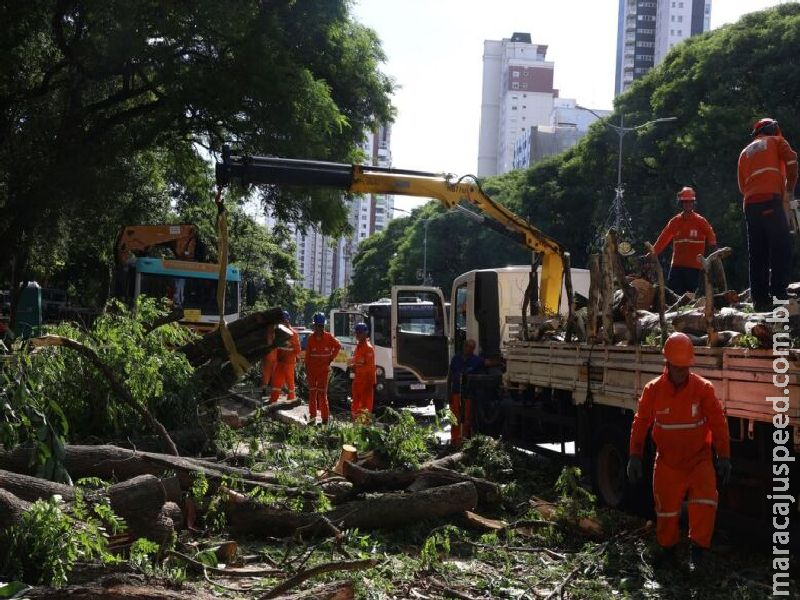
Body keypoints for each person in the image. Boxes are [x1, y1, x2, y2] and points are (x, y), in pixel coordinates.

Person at [627, 332, 731, 571]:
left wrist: (724, 456)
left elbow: (718, 422)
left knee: (705, 502)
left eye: (685, 367)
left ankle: (699, 553)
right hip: (668, 462)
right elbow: (641, 421)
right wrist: (634, 455)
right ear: (667, 365)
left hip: (699, 459)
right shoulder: (653, 390)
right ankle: (668, 552)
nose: (682, 372)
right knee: (666, 511)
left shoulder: (703, 388)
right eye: (677, 368)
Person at [737, 118, 798, 312]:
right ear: (772, 129)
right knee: (782, 246)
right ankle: (779, 293)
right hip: (771, 200)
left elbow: (742, 186)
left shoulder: (744, 153)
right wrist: (789, 191)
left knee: (757, 253)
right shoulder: (776, 141)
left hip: (750, 205)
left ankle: (760, 300)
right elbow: (792, 161)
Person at [649, 186, 717, 295]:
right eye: (685, 202)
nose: (688, 204)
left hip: (694, 267)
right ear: (681, 204)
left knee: (690, 297)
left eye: (690, 202)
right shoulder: (675, 222)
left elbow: (711, 235)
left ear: (693, 203)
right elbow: (663, 239)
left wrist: (713, 248)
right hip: (677, 266)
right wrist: (652, 253)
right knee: (672, 295)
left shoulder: (700, 221)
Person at [304, 312, 341, 425]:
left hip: (323, 372)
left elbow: (338, 346)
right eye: (317, 326)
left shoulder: (329, 337)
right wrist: (306, 371)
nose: (318, 328)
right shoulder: (311, 339)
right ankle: (313, 417)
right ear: (314, 326)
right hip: (312, 371)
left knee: (322, 395)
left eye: (320, 326)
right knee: (312, 394)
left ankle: (325, 419)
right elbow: (307, 356)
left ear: (322, 326)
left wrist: (331, 357)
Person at [447, 339, 486, 445]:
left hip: (468, 394)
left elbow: (482, 376)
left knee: (466, 418)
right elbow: (450, 376)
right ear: (464, 346)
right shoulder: (456, 358)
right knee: (455, 418)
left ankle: (464, 439)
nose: (469, 349)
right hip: (456, 393)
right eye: (468, 347)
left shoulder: (477, 361)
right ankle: (454, 440)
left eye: (472, 348)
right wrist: (448, 393)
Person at [270, 310, 301, 403]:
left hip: (289, 362)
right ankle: (273, 400)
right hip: (280, 361)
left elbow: (298, 350)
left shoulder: (293, 334)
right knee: (276, 382)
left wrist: (290, 349)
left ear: (287, 321)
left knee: (290, 382)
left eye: (283, 320)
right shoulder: (279, 333)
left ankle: (291, 400)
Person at [348, 322, 376, 423]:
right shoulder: (358, 347)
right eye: (357, 333)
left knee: (365, 406)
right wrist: (353, 366)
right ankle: (356, 423)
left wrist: (368, 384)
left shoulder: (368, 348)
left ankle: (364, 426)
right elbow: (359, 363)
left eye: (360, 333)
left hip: (366, 382)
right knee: (356, 403)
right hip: (358, 381)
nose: (358, 335)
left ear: (365, 334)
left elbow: (370, 368)